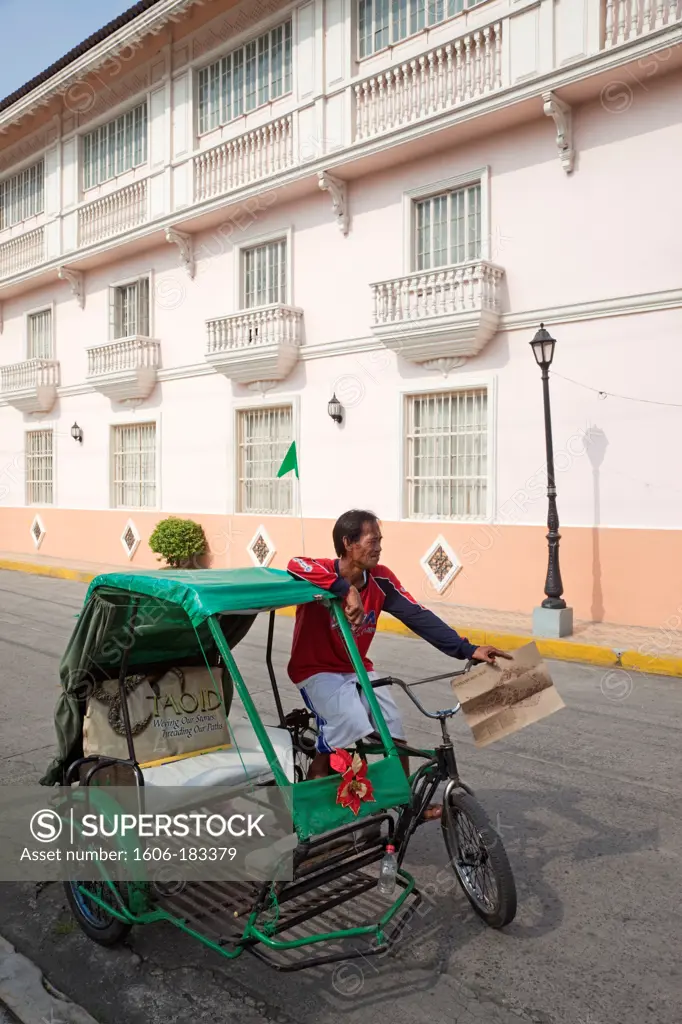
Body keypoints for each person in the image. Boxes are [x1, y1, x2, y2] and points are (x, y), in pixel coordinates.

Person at [286, 509, 511, 818]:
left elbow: (417, 615)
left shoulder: (381, 580)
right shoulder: (322, 571)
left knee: (393, 726)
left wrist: (467, 649)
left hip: (358, 668)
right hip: (316, 670)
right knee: (348, 721)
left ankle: (404, 801)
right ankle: (308, 811)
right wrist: (345, 589)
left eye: (380, 541)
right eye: (372, 541)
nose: (378, 547)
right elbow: (294, 564)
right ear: (348, 543)